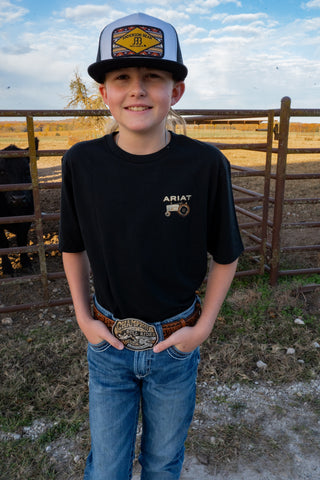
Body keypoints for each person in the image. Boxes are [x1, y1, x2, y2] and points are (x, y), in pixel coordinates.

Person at [59, 12, 244, 480]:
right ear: (104, 93)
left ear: (175, 91)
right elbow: (73, 246)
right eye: (121, 77)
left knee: (163, 462)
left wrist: (201, 330)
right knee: (107, 468)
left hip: (175, 344)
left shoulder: (204, 164)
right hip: (108, 342)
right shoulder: (82, 162)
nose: (137, 89)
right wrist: (84, 318)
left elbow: (226, 254)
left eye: (153, 77)